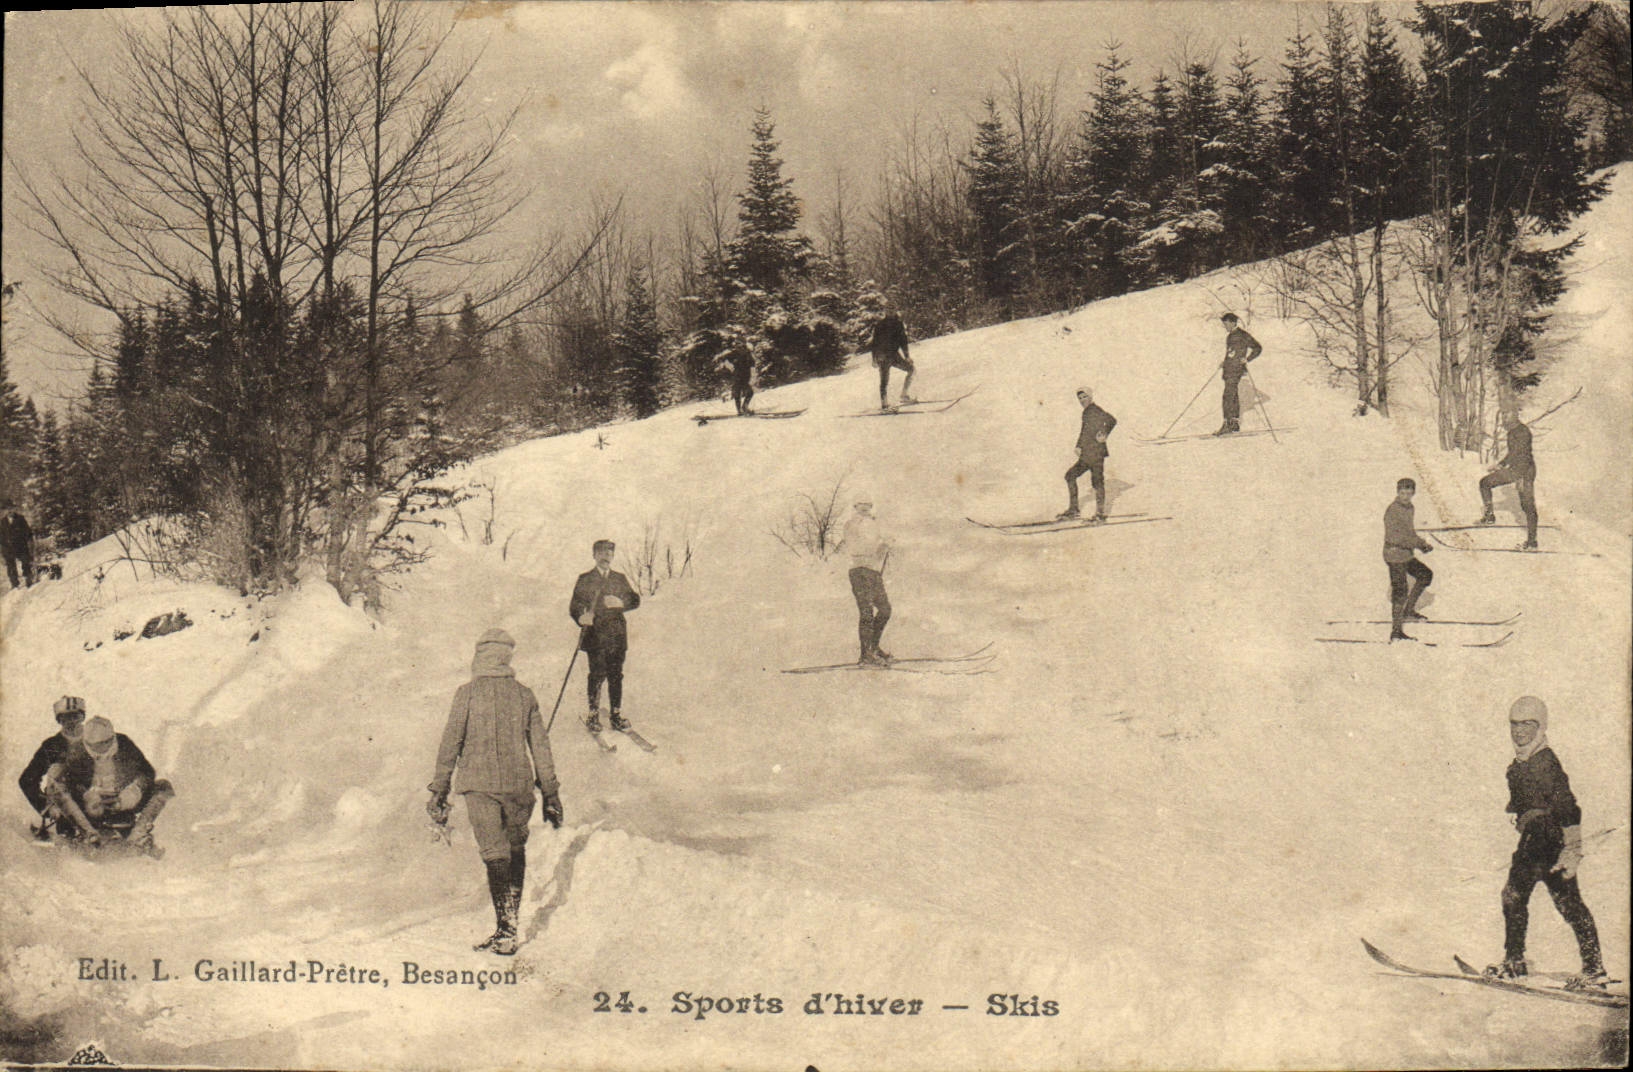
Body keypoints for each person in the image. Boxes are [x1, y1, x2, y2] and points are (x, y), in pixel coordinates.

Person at [427, 629, 562, 957]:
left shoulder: (467, 694)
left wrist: (440, 787)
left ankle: (506, 929)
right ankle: (509, 927)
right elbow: (541, 747)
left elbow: (450, 743)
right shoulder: (524, 695)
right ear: (507, 657)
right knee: (515, 848)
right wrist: (550, 792)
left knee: (494, 853)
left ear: (479, 656)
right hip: (519, 785)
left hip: (479, 785)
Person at [1485, 696, 1606, 989]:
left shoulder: (1546, 763)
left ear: (1540, 727)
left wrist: (1572, 849)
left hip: (1551, 843)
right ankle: (1516, 961)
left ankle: (1591, 969)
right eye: (1514, 724)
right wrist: (1520, 815)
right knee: (1518, 897)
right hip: (1534, 842)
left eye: (1527, 724)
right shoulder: (1519, 764)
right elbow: (1524, 801)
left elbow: (1568, 807)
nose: (1519, 731)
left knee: (1562, 903)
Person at [54, 714, 175, 855]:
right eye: (95, 746)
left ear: (113, 738)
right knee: (56, 788)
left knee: (163, 786)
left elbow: (147, 772)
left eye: (106, 743)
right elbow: (68, 782)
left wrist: (133, 792)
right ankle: (89, 835)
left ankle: (138, 834)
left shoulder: (124, 744)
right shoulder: (77, 751)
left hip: (123, 802)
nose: (102, 749)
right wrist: (87, 795)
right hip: (92, 809)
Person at [569, 540, 641, 733]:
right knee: (597, 675)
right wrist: (581, 616)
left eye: (609, 553)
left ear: (613, 556)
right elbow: (575, 605)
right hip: (595, 637)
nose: (605, 557)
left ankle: (615, 715)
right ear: (594, 555)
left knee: (616, 675)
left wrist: (621, 602)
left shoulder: (619, 578)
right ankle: (593, 715)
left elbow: (635, 599)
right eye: (601, 553)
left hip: (617, 637)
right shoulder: (585, 579)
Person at [18, 696, 88, 840]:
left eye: (75, 716)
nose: (71, 722)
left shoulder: (98, 740)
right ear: (59, 720)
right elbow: (27, 779)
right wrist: (47, 807)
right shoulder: (51, 746)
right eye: (66, 718)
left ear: (82, 717)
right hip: (68, 806)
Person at [839, 497, 893, 665]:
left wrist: (885, 545)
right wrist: (881, 546)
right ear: (855, 507)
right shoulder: (851, 525)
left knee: (885, 610)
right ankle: (866, 654)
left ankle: (873, 647)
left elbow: (878, 544)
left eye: (868, 505)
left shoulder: (873, 524)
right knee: (867, 612)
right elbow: (859, 547)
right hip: (860, 571)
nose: (865, 508)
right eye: (861, 505)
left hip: (873, 571)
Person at [1383, 477, 1434, 642]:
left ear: (1413, 494)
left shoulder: (1409, 508)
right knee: (1400, 592)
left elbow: (1409, 533)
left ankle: (1408, 611)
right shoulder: (1393, 510)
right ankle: (1396, 632)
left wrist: (1422, 544)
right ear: (1397, 492)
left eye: (1409, 493)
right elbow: (1395, 537)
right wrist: (1418, 545)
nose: (1406, 497)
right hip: (1394, 555)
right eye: (1403, 493)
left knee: (1425, 575)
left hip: (1405, 554)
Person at [1478, 414, 1538, 550]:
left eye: (1507, 417)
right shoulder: (1512, 432)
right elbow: (1512, 453)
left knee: (1527, 505)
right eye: (1504, 416)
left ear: (1515, 416)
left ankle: (1532, 542)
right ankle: (1489, 516)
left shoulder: (1523, 432)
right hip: (1514, 469)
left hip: (1525, 470)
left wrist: (1521, 478)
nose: (1504, 419)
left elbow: (1524, 456)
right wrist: (1501, 464)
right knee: (1485, 483)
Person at [1060, 387, 1118, 522]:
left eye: (1084, 397)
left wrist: (1104, 433)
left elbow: (1112, 420)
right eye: (1080, 398)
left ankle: (1099, 514)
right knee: (1070, 476)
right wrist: (1079, 446)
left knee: (1097, 481)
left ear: (1090, 397)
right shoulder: (1086, 412)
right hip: (1087, 454)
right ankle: (1074, 510)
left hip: (1096, 453)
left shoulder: (1095, 409)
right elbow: (1084, 431)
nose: (1082, 400)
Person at [1215, 313, 1263, 436]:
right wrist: (1225, 362)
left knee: (1228, 396)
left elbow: (1257, 348)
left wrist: (1247, 359)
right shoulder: (1230, 336)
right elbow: (1231, 353)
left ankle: (1227, 424)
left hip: (1236, 370)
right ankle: (1234, 424)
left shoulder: (1242, 335)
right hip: (1229, 369)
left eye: (1226, 324)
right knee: (1232, 395)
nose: (1225, 326)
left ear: (1232, 322)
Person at [869, 308, 915, 409]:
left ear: (895, 311)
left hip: (894, 355)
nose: (890, 312)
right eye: (888, 310)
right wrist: (874, 358)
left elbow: (903, 341)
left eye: (892, 309)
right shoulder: (880, 325)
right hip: (883, 356)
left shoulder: (898, 324)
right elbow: (875, 342)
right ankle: (884, 404)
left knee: (911, 369)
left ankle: (904, 395)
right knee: (884, 380)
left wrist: (907, 356)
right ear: (885, 311)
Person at [1, 499, 34, 590]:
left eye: (11, 508)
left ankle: (28, 578)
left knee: (25, 561)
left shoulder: (20, 519)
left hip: (21, 545)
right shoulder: (2, 522)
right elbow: (1, 537)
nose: (9, 511)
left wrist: (29, 541)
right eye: (7, 509)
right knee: (10, 566)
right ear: (4, 510)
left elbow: (28, 531)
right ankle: (14, 583)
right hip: (9, 547)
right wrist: (3, 548)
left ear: (14, 509)